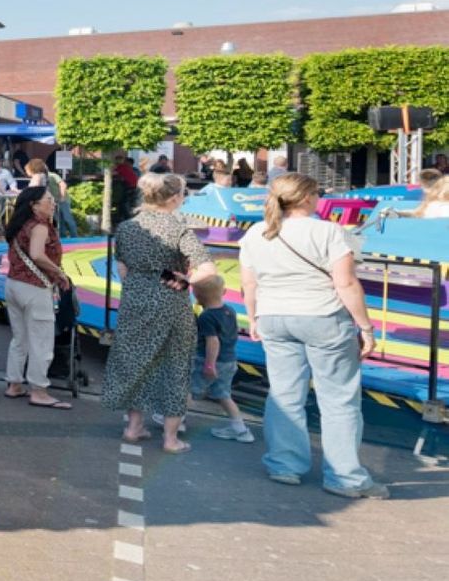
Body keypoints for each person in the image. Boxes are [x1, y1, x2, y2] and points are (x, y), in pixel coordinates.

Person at [239, 173, 385, 498]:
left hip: (274, 316)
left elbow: (249, 284)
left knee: (284, 394)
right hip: (322, 317)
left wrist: (253, 318)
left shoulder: (255, 234)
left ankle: (284, 464)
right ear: (306, 198)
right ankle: (345, 477)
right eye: (317, 193)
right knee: (339, 399)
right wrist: (365, 327)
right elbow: (345, 284)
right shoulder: (329, 231)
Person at [102, 173, 220, 453]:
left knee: (135, 360)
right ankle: (170, 438)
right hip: (170, 301)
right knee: (175, 365)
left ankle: (133, 427)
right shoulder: (178, 227)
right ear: (175, 198)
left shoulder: (128, 227)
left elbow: (123, 268)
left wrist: (140, 284)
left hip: (134, 299)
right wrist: (183, 280)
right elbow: (207, 269)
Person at [1, 185, 70, 407]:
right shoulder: (40, 227)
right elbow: (37, 254)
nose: (52, 204)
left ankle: (14, 383)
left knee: (19, 339)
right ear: (34, 205)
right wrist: (58, 272)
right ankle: (39, 390)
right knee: (41, 340)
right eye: (47, 200)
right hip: (35, 287)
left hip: (14, 284)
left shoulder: (19, 224)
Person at [192, 275, 252, 442]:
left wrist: (209, 365)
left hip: (210, 360)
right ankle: (240, 429)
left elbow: (213, 341)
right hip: (229, 360)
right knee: (223, 394)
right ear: (224, 291)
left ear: (198, 298)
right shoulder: (230, 310)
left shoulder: (206, 317)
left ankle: (174, 419)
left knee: (188, 389)